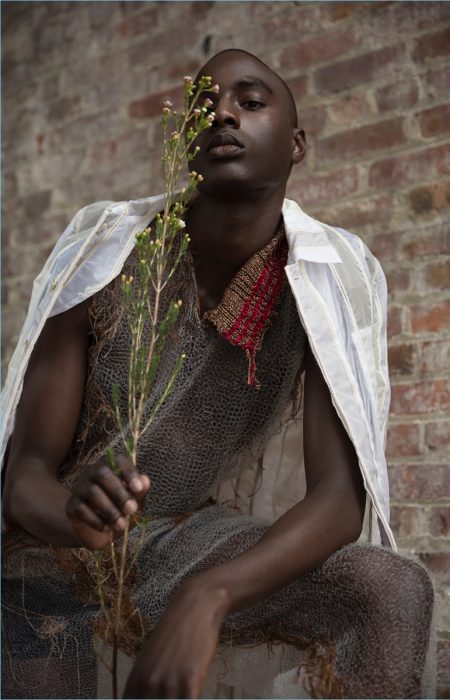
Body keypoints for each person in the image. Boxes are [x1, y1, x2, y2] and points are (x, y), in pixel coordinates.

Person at [2, 49, 433, 699]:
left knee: (388, 587)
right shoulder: (108, 254)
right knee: (32, 617)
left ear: (297, 144)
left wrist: (210, 593)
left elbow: (340, 501)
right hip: (45, 547)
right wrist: (73, 517)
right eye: (202, 108)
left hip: (178, 544)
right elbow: (23, 476)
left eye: (249, 102)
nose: (223, 114)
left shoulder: (324, 279)